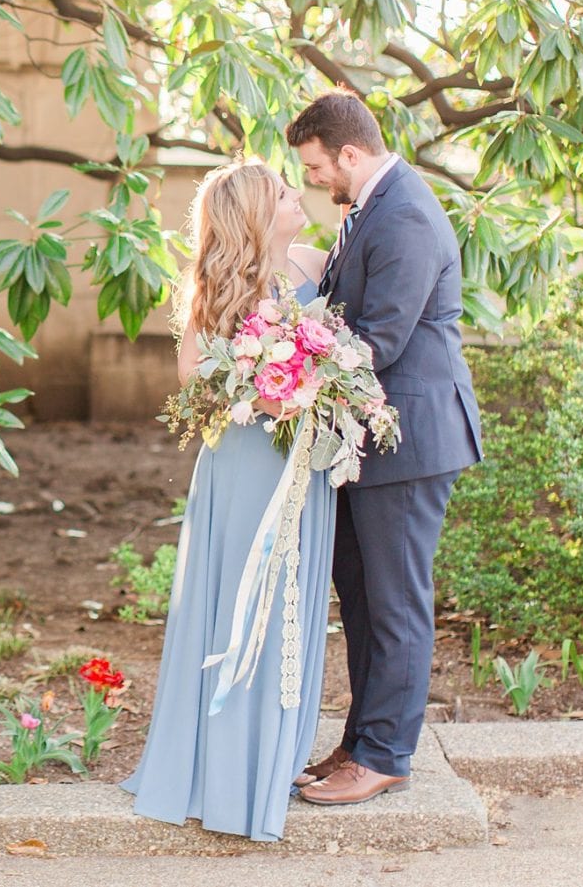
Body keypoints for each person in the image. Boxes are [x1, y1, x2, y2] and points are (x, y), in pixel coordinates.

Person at [120, 159, 337, 842]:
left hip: (304, 465)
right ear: (255, 214)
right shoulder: (217, 289)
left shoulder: (313, 264)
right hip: (246, 468)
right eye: (283, 191)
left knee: (291, 603)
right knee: (243, 606)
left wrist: (321, 380)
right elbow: (193, 380)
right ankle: (224, 772)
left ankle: (275, 757)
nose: (299, 194)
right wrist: (265, 383)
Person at [285, 92, 483, 806]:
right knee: (363, 598)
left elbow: (380, 340)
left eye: (315, 166)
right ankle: (361, 740)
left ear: (349, 153)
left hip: (412, 439)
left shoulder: (403, 213)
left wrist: (284, 368)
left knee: (395, 602)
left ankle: (388, 753)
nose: (313, 179)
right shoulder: (372, 206)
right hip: (368, 442)